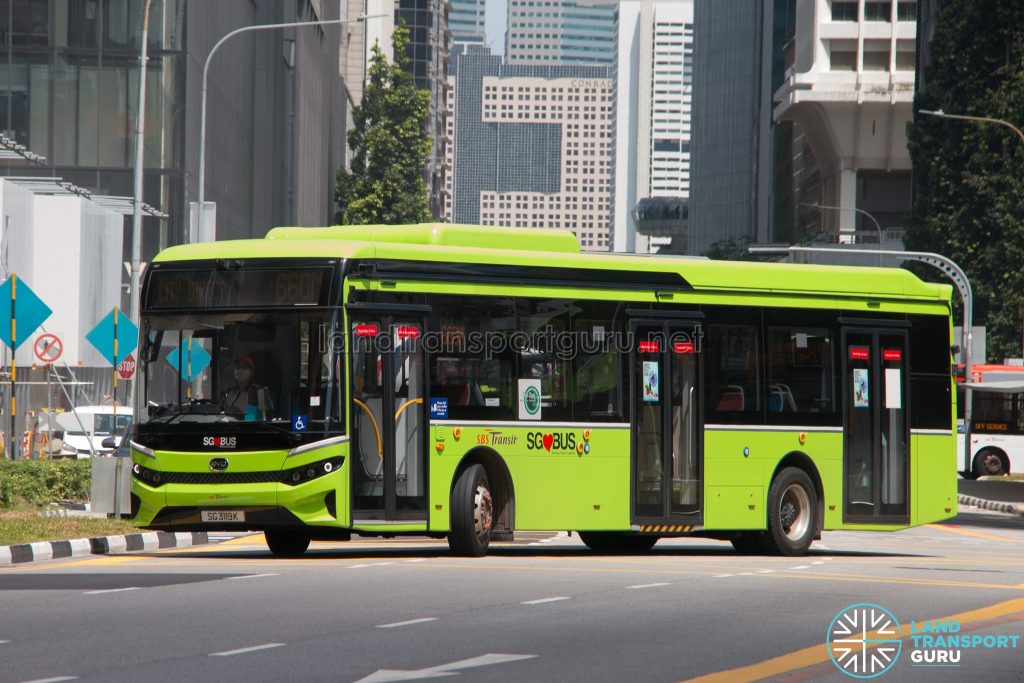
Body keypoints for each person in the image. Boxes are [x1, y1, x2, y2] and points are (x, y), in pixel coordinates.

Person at [222, 356, 271, 420]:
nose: (239, 370)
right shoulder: (229, 391)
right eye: (237, 367)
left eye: (244, 367)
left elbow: (265, 419)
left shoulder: (260, 392)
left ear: (252, 372)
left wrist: (238, 414)